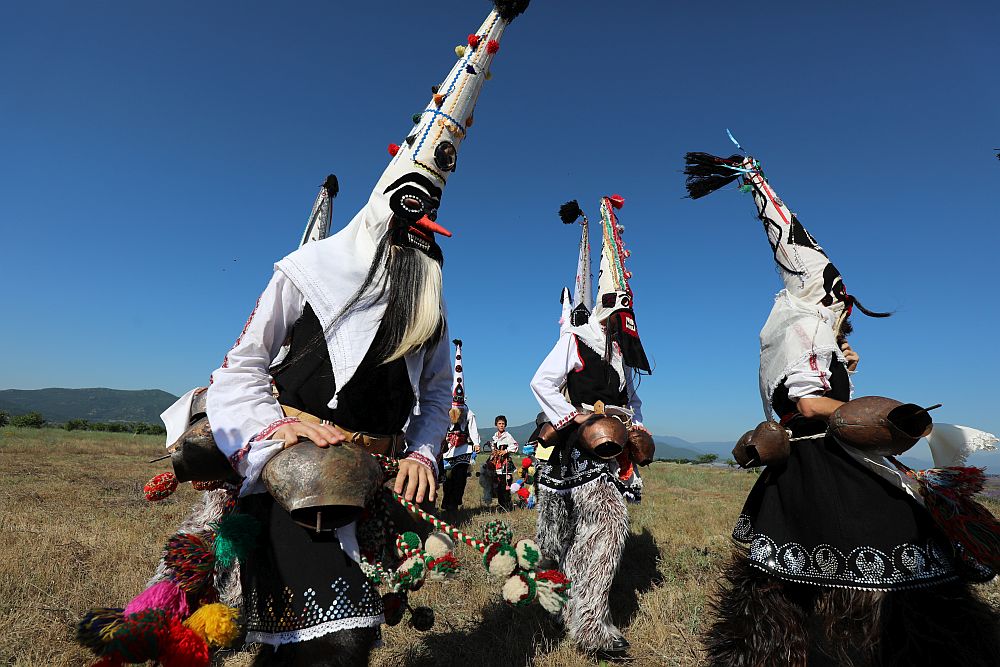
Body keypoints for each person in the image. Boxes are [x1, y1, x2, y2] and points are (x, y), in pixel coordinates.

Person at [167, 6, 528, 665]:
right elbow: (240, 367)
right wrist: (277, 428)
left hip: (372, 484)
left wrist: (421, 455)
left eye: (430, 219)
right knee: (338, 638)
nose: (417, 233)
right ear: (385, 200)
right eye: (410, 212)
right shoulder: (307, 270)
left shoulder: (430, 303)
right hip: (292, 474)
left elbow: (437, 398)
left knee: (327, 642)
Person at [684, 148, 1000, 666]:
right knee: (895, 549)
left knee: (799, 585)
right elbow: (807, 403)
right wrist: (900, 421)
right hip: (822, 465)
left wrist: (844, 364)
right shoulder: (805, 324)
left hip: (803, 469)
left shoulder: (805, 330)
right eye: (833, 286)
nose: (841, 295)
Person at [530, 195, 652, 657]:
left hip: (612, 452)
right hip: (574, 449)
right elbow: (541, 382)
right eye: (618, 308)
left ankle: (587, 619)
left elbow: (632, 399)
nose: (624, 317)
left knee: (603, 525)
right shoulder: (575, 341)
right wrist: (572, 416)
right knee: (568, 531)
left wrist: (636, 428)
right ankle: (569, 603)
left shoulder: (622, 355)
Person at [440, 339, 481, 511]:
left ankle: (455, 503)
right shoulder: (445, 411)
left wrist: (477, 442)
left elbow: (472, 427)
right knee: (448, 477)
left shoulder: (468, 413)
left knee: (460, 477)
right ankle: (447, 502)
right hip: (448, 450)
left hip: (463, 450)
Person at [487, 415, 518, 510]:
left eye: (503, 424)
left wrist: (506, 451)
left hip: (505, 463)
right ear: (496, 425)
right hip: (496, 463)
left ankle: (507, 505)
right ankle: (501, 504)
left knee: (505, 484)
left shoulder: (507, 436)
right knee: (498, 484)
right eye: (499, 423)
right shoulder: (495, 436)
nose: (501, 425)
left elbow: (515, 446)